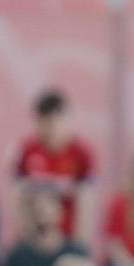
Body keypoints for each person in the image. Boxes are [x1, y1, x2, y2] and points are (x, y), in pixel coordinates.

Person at [13, 88, 94, 239]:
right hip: (36, 235)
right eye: (46, 122)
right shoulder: (27, 151)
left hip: (68, 234)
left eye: (57, 120)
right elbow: (19, 196)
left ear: (67, 119)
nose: (52, 128)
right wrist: (28, 236)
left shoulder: (81, 153)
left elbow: (87, 202)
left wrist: (81, 242)